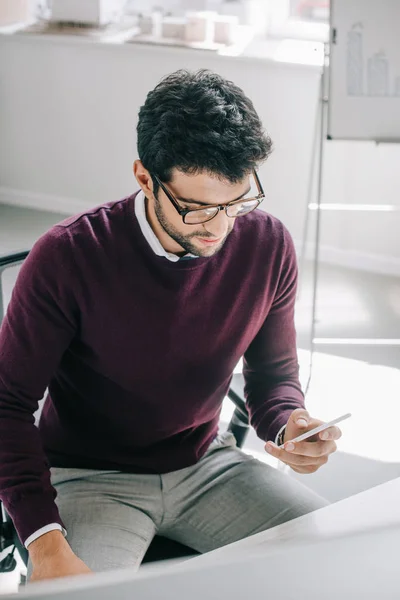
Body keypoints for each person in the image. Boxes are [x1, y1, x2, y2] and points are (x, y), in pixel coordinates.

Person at [0, 69, 341, 583]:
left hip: (207, 465)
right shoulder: (68, 257)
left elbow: (273, 378)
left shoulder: (267, 243)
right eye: (197, 209)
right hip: (89, 476)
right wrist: (42, 538)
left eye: (236, 202)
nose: (221, 228)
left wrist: (288, 423)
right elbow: (6, 406)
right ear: (145, 178)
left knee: (345, 558)